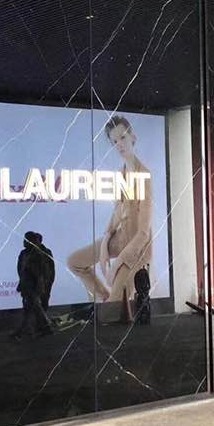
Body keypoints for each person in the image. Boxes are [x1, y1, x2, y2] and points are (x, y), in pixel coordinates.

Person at [68, 115, 153, 303]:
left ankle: (110, 302)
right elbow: (118, 211)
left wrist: (115, 266)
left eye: (122, 138)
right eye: (115, 141)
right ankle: (105, 298)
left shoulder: (143, 175)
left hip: (136, 248)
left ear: (133, 138)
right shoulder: (121, 173)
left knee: (114, 306)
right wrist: (106, 241)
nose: (119, 144)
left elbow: (143, 233)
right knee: (74, 262)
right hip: (120, 238)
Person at [13, 231, 53, 339]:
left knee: (34, 307)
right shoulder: (24, 253)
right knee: (30, 308)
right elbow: (21, 270)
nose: (24, 242)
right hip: (28, 285)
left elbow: (45, 272)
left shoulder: (40, 254)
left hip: (35, 286)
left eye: (26, 240)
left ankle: (45, 328)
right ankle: (28, 330)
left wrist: (44, 285)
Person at [31, 232, 55, 311]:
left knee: (43, 302)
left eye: (35, 240)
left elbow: (51, 268)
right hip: (31, 284)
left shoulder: (47, 252)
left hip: (45, 282)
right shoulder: (26, 252)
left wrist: (50, 281)